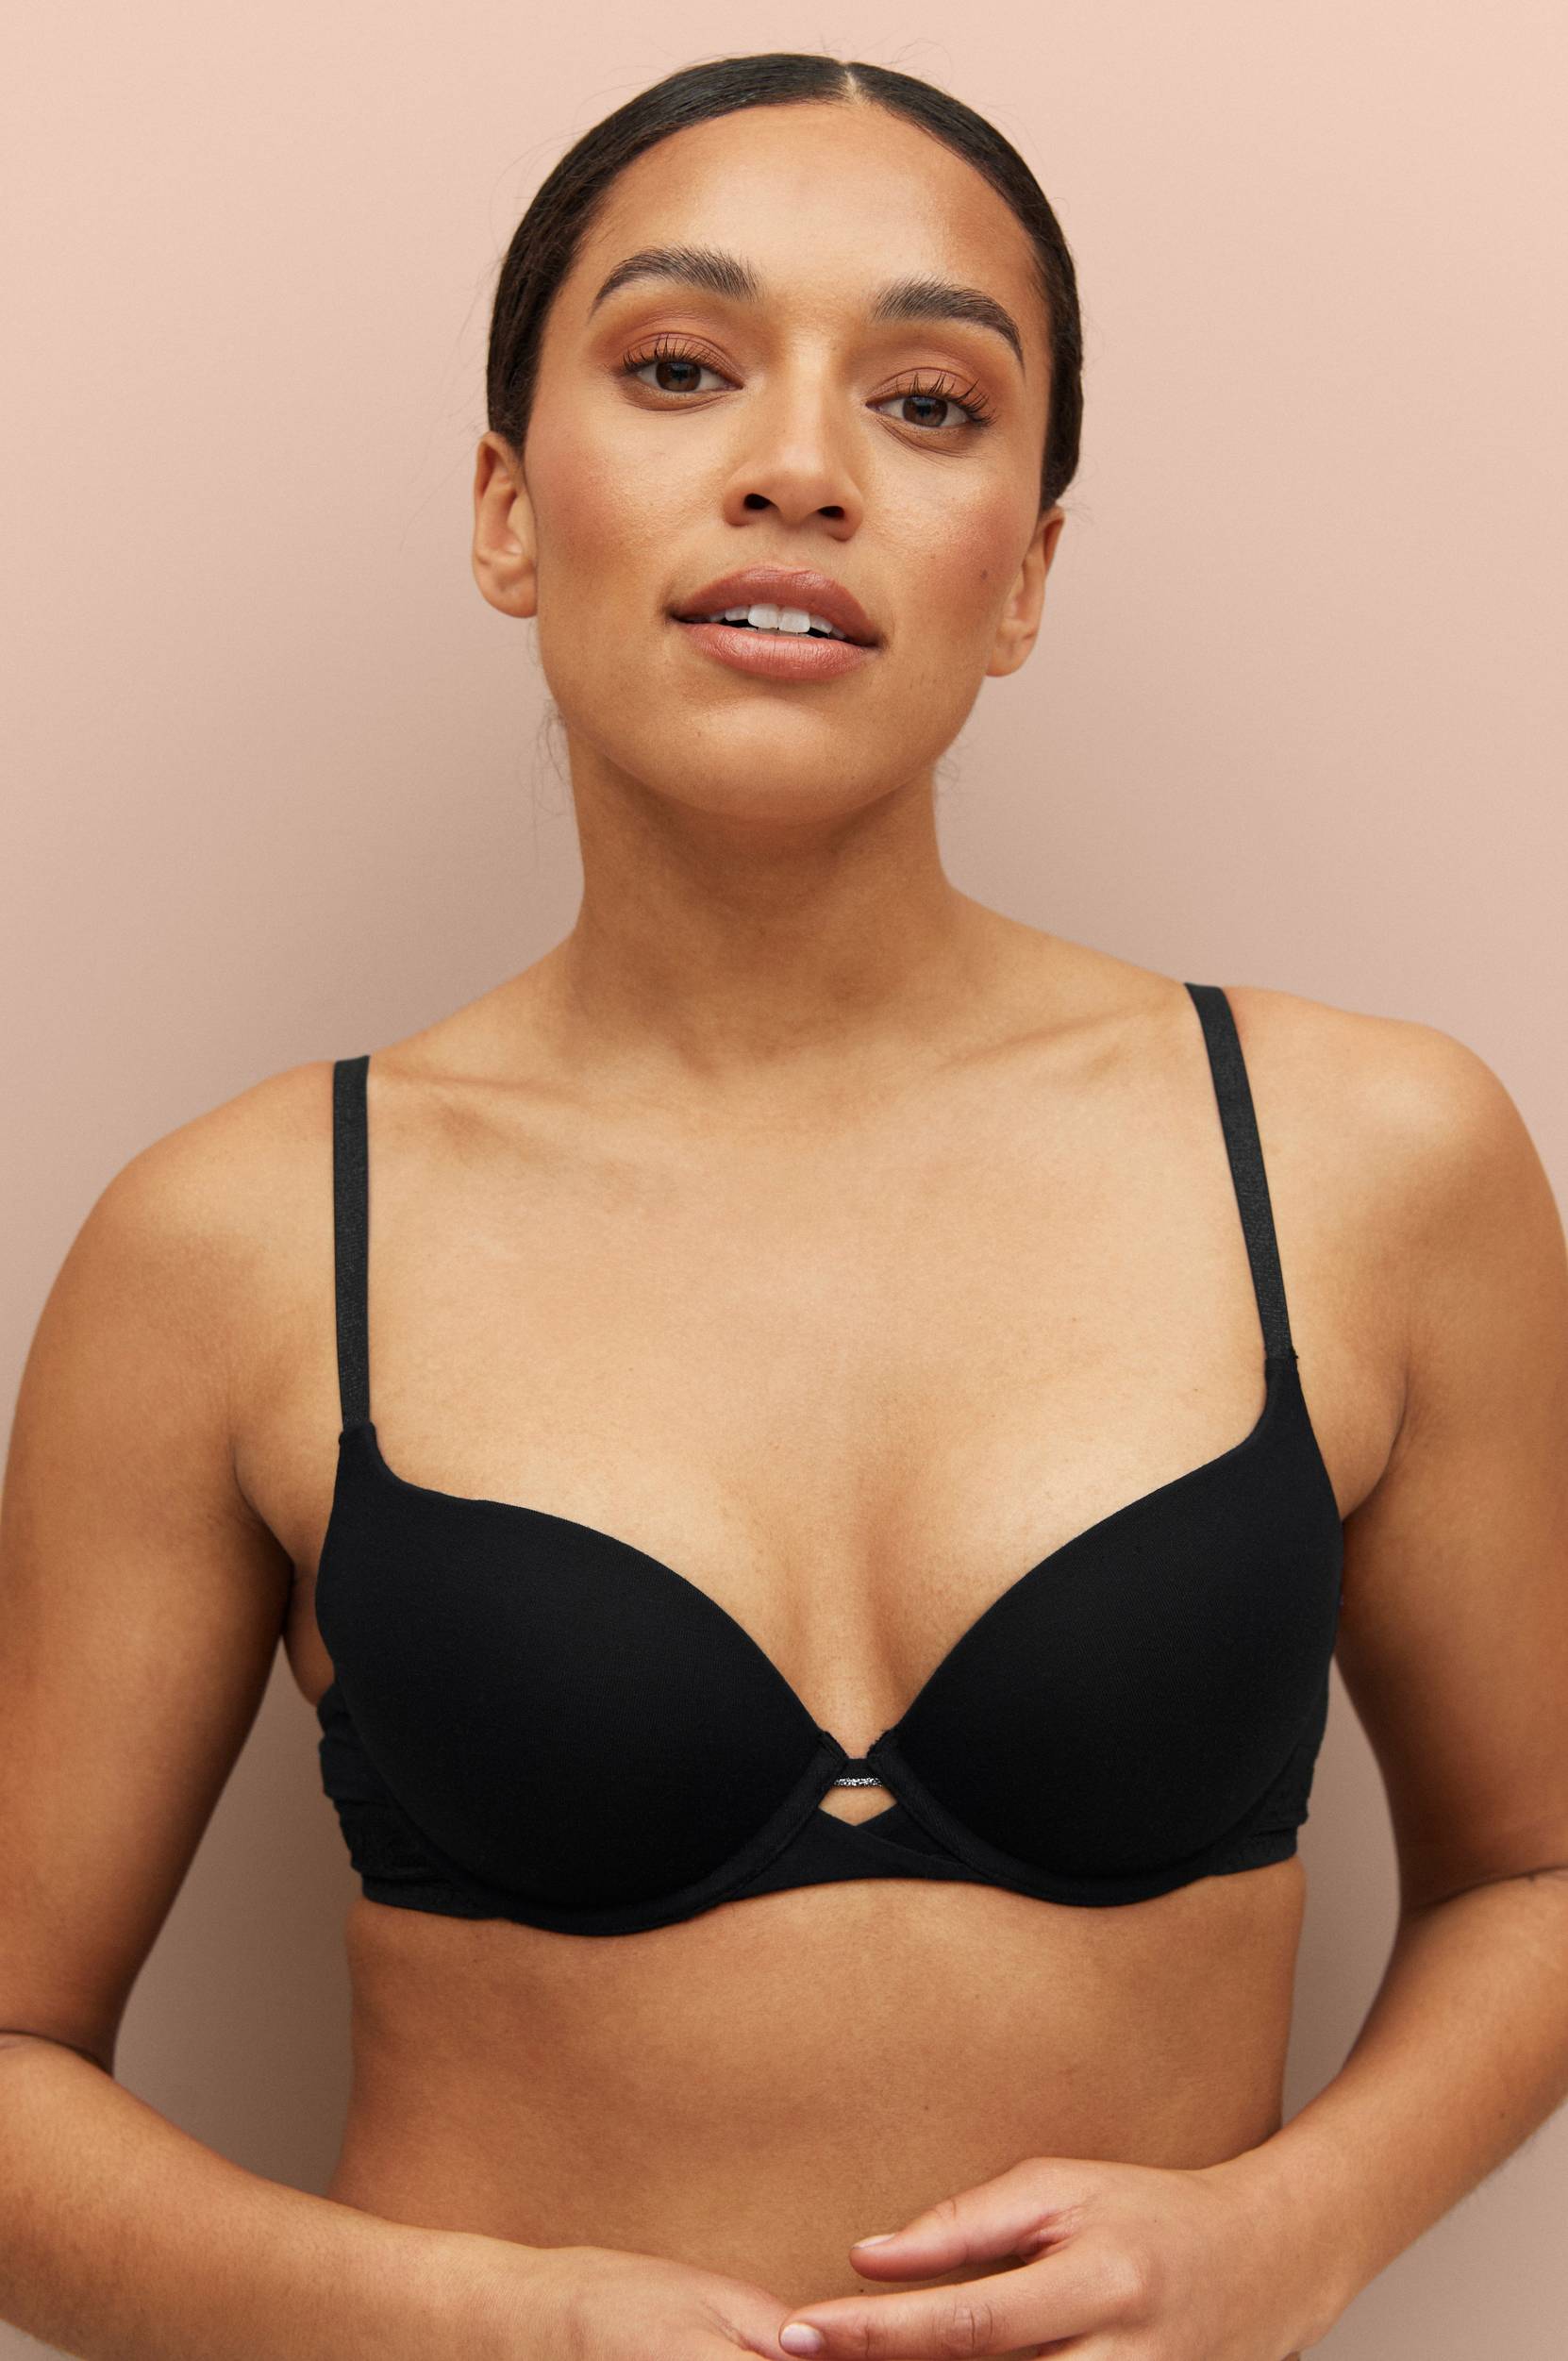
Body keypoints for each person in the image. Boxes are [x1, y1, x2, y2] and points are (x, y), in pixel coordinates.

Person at [4, 48, 1568, 2361]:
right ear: (508, 511)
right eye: (679, 368)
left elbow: (1539, 1871)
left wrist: (1298, 2228)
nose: (802, 468)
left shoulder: (1369, 1162)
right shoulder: (231, 1248)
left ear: (1025, 574)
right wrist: (476, 2330)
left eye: (930, 405)